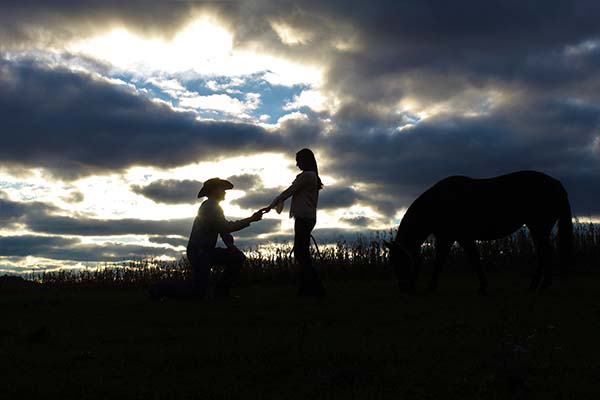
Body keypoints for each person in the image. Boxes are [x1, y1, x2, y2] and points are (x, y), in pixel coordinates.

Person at [149, 178, 263, 300]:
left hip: (205, 252)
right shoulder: (210, 207)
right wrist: (251, 219)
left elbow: (222, 229)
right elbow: (225, 227)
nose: (225, 192)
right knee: (197, 292)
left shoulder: (214, 207)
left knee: (237, 257)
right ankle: (159, 287)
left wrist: (231, 246)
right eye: (222, 189)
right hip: (200, 254)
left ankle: (221, 294)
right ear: (214, 191)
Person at [261, 148, 326, 297]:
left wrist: (270, 206)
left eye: (298, 160)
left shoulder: (307, 176)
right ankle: (308, 289)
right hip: (306, 217)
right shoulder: (310, 176)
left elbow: (289, 191)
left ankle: (315, 289)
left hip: (304, 218)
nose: (296, 164)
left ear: (305, 160)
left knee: (301, 253)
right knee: (301, 253)